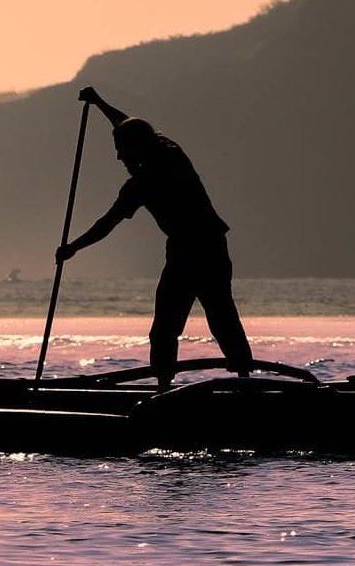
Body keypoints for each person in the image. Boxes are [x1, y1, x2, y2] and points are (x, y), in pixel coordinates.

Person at [55, 86, 253, 390]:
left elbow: (105, 224)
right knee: (180, 324)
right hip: (191, 248)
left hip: (201, 248)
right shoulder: (169, 153)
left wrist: (72, 249)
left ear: (137, 148)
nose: (119, 157)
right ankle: (169, 384)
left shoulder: (148, 178)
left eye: (122, 150)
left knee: (215, 317)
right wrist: (98, 104)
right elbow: (127, 124)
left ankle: (241, 379)